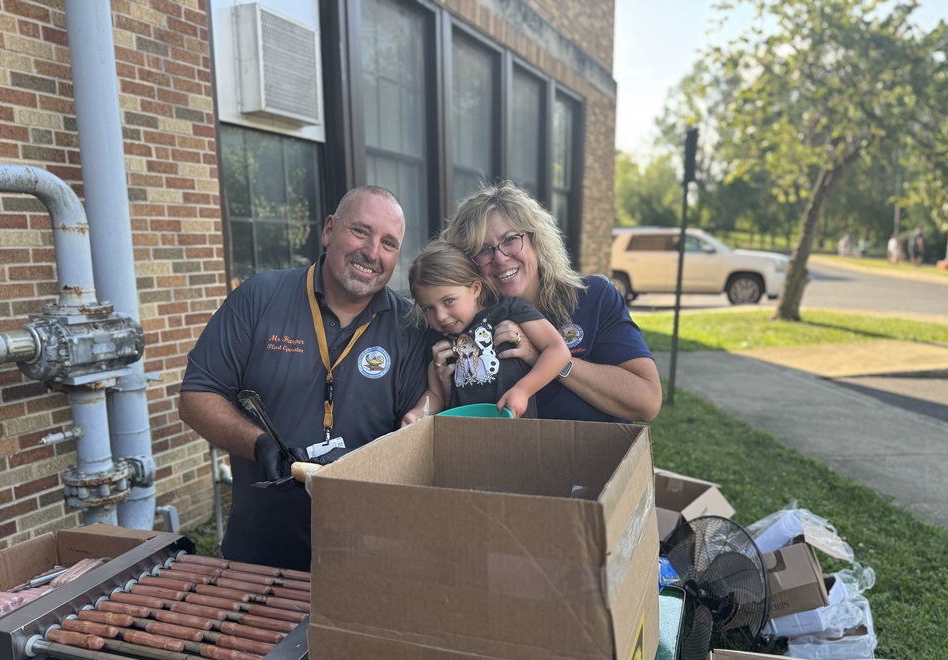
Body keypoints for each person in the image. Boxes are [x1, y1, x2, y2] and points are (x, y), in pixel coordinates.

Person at [179, 186, 430, 570]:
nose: (372, 252)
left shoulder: (411, 327)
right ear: (329, 230)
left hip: (369, 563)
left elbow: (417, 440)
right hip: (258, 558)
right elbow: (197, 396)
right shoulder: (260, 297)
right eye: (361, 231)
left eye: (389, 243)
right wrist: (260, 444)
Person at [440, 180, 662, 423]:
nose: (501, 258)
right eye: (483, 250)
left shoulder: (593, 298)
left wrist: (545, 358)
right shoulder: (464, 325)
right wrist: (443, 386)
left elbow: (647, 402)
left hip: (594, 456)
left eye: (510, 239)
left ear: (537, 240)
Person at [401, 239, 570, 421]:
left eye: (448, 301)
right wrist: (418, 413)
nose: (440, 316)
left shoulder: (510, 310)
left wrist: (523, 390)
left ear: (475, 289)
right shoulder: (437, 339)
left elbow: (558, 351)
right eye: (429, 308)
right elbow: (435, 395)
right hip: (463, 435)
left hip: (516, 431)